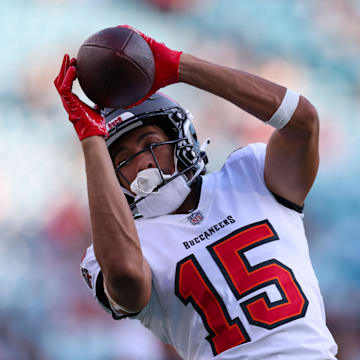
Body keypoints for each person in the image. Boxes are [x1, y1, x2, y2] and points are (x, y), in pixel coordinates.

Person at [54, 25, 338, 360]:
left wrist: (179, 67)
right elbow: (126, 277)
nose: (143, 163)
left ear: (181, 136)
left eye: (150, 143)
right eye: (124, 159)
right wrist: (90, 139)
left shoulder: (250, 174)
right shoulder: (119, 246)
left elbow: (303, 123)